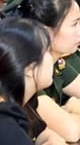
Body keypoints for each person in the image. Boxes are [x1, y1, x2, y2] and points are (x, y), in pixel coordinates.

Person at [2, 0, 80, 142]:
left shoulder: (29, 90)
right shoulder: (8, 114)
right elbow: (70, 130)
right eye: (74, 24)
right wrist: (77, 113)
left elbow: (46, 135)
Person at [0, 17, 56, 145]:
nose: (52, 57)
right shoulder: (5, 125)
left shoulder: (23, 103)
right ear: (29, 69)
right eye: (47, 52)